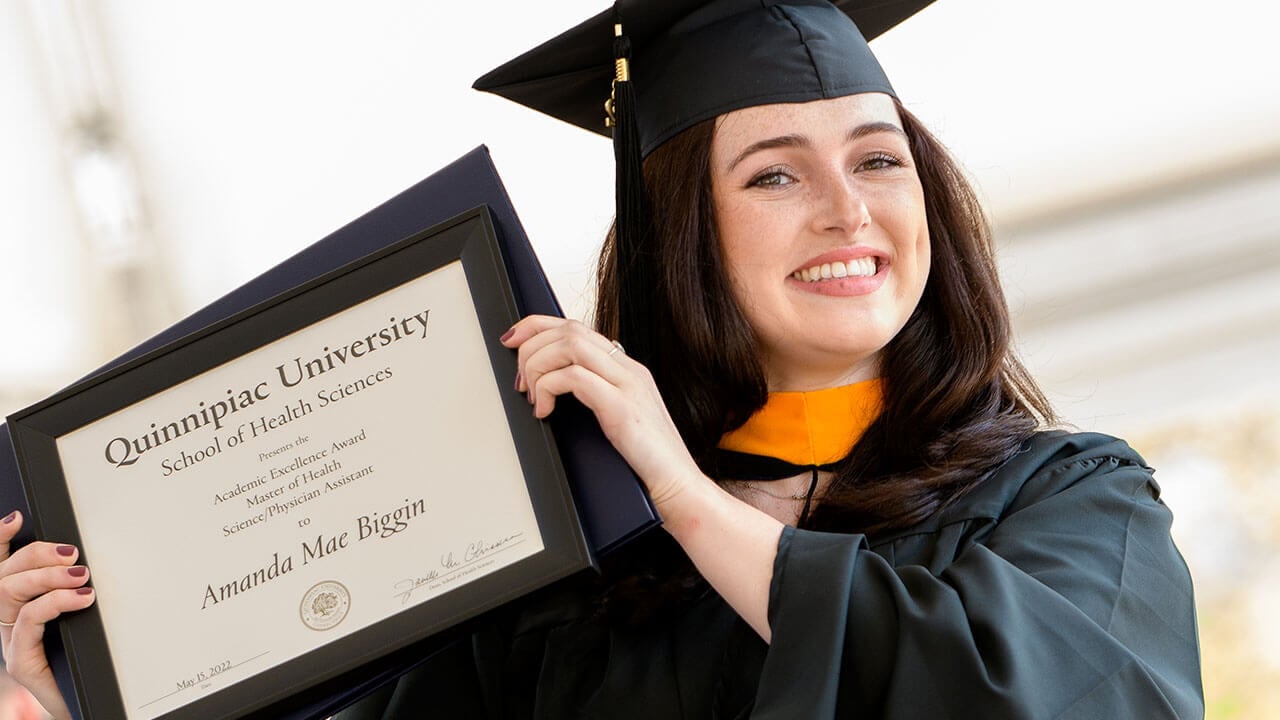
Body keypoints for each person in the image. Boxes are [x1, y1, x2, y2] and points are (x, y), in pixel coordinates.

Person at [0, 0, 1203, 717]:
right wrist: (87, 692)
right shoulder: (559, 580)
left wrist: (678, 494)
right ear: (685, 231)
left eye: (878, 160)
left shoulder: (1067, 503)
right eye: (773, 173)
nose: (846, 210)